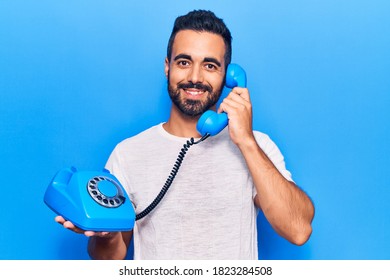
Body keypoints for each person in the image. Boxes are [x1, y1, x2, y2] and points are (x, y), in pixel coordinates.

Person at [55, 9, 315, 260]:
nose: (194, 77)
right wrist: (104, 235)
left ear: (228, 76)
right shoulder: (128, 153)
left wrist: (245, 141)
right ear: (167, 67)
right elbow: (110, 259)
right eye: (184, 62)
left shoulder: (257, 147)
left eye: (210, 65)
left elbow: (298, 230)